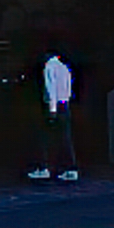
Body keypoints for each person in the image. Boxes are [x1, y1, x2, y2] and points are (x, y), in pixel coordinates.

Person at [28, 47, 79, 182]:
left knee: (46, 138)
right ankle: (70, 168)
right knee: (65, 137)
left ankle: (44, 167)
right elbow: (68, 88)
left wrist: (52, 109)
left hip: (55, 106)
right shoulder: (64, 67)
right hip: (64, 104)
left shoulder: (49, 67)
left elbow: (51, 89)